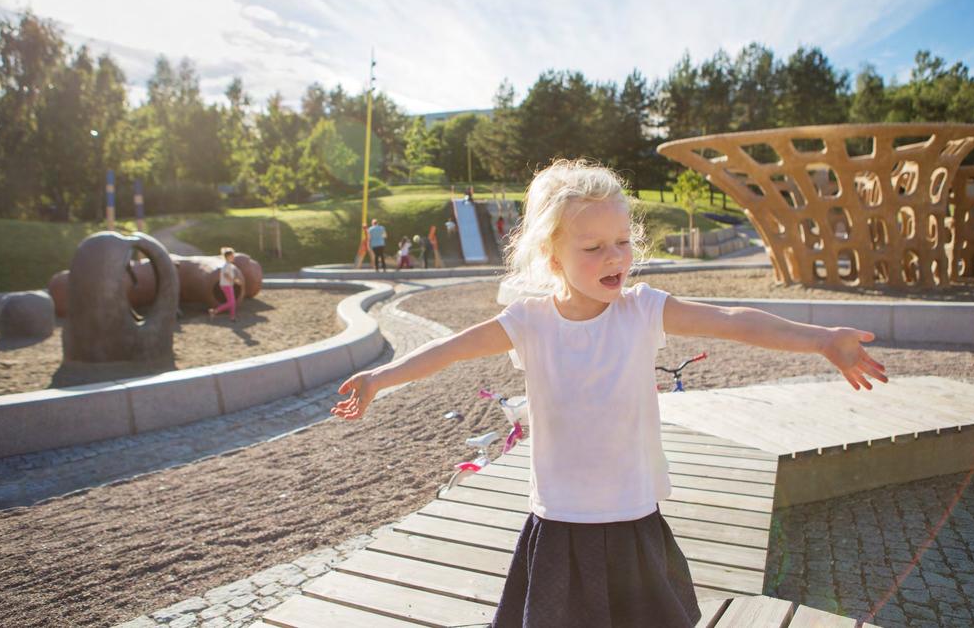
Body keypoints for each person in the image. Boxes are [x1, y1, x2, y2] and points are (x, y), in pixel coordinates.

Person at [331, 159, 887, 628]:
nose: (615, 257)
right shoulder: (530, 322)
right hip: (559, 526)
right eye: (594, 247)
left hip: (631, 520)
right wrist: (379, 378)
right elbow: (451, 349)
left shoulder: (642, 311)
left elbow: (733, 320)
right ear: (553, 258)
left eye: (622, 242)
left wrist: (821, 340)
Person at [209, 247, 243, 322]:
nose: (233, 257)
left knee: (232, 301)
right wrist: (235, 281)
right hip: (226, 285)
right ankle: (215, 311)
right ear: (228, 257)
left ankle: (232, 317)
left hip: (227, 285)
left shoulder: (228, 265)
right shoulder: (227, 265)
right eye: (232, 256)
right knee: (231, 302)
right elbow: (226, 275)